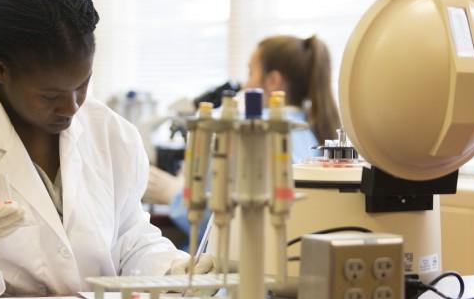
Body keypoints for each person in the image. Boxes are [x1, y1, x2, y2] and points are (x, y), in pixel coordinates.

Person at [0, 0, 214, 299]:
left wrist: (172, 271)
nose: (71, 107)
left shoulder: (112, 134)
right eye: (50, 96)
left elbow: (129, 238)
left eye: (81, 85)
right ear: (1, 70)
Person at [146, 34, 341, 242]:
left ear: (273, 80)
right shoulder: (310, 132)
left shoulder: (248, 132)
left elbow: (213, 218)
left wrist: (174, 194)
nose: (244, 85)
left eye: (250, 72)